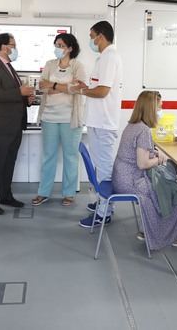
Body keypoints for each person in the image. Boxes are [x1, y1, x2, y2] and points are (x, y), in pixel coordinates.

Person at [113, 91, 177, 249]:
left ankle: (152, 229)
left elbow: (138, 153)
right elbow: (142, 164)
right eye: (159, 107)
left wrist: (154, 154)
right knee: (170, 190)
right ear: (150, 109)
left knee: (164, 186)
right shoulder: (144, 130)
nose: (161, 110)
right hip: (131, 181)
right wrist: (160, 159)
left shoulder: (133, 125)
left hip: (122, 177)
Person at [0, 33, 35, 215]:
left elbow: (12, 94)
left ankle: (5, 196)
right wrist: (19, 92)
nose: (15, 48)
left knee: (9, 162)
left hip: (14, 125)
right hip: (0, 126)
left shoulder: (9, 67)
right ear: (4, 47)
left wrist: (26, 99)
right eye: (13, 44)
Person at [75, 21, 123, 228]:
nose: (91, 40)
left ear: (101, 36)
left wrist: (81, 91)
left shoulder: (110, 57)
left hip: (104, 123)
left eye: (92, 36)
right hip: (97, 121)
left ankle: (105, 212)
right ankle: (102, 202)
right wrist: (86, 87)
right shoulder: (102, 58)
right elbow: (99, 87)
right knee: (100, 167)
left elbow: (103, 91)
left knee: (105, 169)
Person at [31, 33, 86, 207]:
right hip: (49, 116)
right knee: (48, 156)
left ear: (70, 48)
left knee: (71, 157)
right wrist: (65, 88)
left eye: (61, 45)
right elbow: (42, 87)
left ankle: (69, 193)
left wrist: (53, 85)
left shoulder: (78, 66)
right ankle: (43, 192)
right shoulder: (49, 65)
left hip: (70, 118)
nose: (58, 48)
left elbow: (78, 89)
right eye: (56, 44)